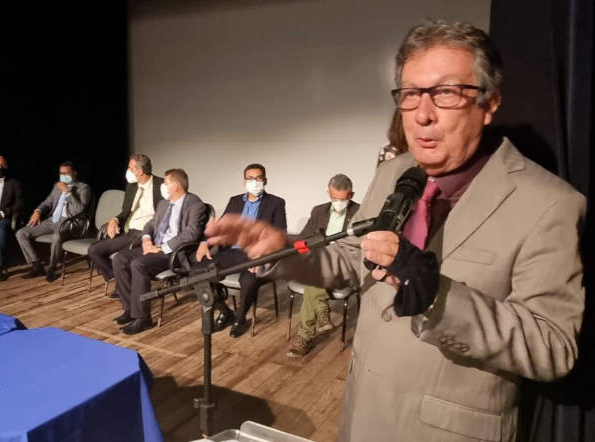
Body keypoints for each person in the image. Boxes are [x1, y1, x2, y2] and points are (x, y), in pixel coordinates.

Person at [204, 21, 585, 441]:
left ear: (489, 102)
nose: (422, 114)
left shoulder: (549, 203)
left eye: (446, 92)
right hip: (362, 415)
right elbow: (353, 258)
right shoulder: (394, 172)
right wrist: (283, 249)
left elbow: (553, 347)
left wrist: (436, 297)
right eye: (410, 94)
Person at [195, 163, 287, 338]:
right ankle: (225, 311)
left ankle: (240, 318)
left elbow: (279, 236)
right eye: (250, 178)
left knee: (248, 281)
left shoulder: (276, 203)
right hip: (232, 252)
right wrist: (204, 242)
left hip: (255, 254)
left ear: (265, 180)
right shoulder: (235, 201)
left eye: (258, 178)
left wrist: (262, 255)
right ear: (244, 181)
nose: (255, 182)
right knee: (197, 271)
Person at [112, 169, 205, 335]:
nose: (163, 186)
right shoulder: (163, 203)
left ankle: (143, 318)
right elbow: (151, 224)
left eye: (166, 183)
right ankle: (130, 309)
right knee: (120, 258)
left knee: (138, 264)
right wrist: (146, 239)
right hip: (154, 247)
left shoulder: (194, 203)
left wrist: (162, 248)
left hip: (173, 252)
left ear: (176, 186)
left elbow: (191, 234)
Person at [287, 174, 360, 357]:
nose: (339, 203)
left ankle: (305, 334)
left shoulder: (360, 212)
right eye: (335, 198)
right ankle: (320, 312)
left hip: (345, 265)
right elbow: (304, 237)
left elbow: (360, 246)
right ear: (328, 193)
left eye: (343, 199)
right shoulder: (319, 211)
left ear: (351, 195)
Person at [88, 154, 163, 291]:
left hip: (143, 233)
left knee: (121, 257)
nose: (128, 171)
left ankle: (122, 286)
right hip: (127, 231)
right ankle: (122, 282)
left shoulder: (161, 185)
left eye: (130, 168)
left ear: (140, 171)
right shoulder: (132, 186)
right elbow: (126, 211)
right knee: (94, 250)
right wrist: (114, 220)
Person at [16, 161, 91, 282]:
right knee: (21, 233)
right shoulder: (57, 185)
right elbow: (48, 202)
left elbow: (79, 209)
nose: (63, 176)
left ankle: (52, 268)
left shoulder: (84, 188)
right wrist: (38, 211)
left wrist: (67, 192)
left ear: (74, 173)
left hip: (70, 222)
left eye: (67, 173)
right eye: (61, 173)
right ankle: (37, 266)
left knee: (57, 236)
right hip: (53, 220)